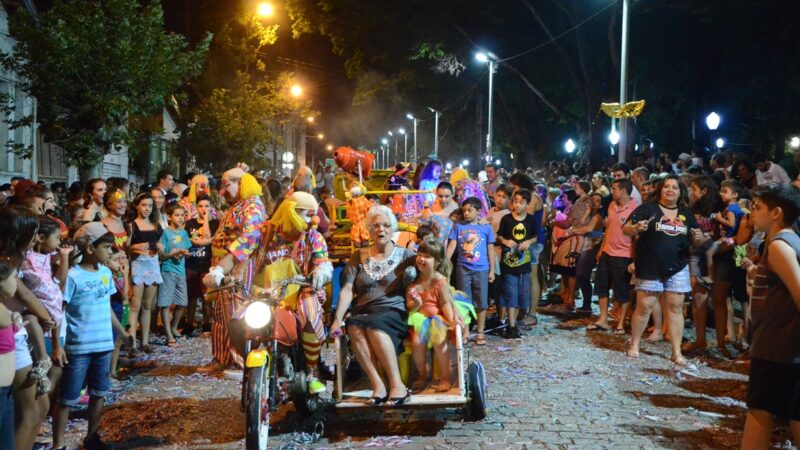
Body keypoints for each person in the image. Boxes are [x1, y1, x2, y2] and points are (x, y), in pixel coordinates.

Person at [230, 191, 334, 392]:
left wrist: (321, 270)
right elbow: (236, 253)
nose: (312, 219)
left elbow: (322, 260)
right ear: (290, 212)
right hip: (264, 293)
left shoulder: (313, 236)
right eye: (306, 214)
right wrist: (218, 271)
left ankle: (312, 372)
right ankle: (251, 368)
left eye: (314, 214)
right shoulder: (262, 232)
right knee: (237, 322)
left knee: (310, 318)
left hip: (301, 291)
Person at [52, 222, 130, 450]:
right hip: (78, 348)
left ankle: (92, 437)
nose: (110, 252)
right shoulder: (74, 277)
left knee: (99, 393)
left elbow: (106, 306)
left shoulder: (105, 273)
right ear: (89, 249)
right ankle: (58, 444)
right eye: (106, 247)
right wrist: (58, 344)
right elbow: (59, 311)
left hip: (104, 345)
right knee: (67, 398)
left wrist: (122, 332)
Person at [330, 205, 415, 405]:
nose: (381, 230)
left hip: (393, 311)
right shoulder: (358, 257)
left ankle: (397, 385)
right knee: (354, 326)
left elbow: (427, 279)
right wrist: (337, 320)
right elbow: (347, 290)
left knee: (375, 325)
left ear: (392, 228)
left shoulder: (406, 256)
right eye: (376, 226)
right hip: (363, 311)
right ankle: (378, 385)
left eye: (386, 225)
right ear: (369, 229)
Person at [740, 183, 800, 449]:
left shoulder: (779, 246)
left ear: (776, 213)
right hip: (782, 346)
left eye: (757, 208)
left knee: (760, 413)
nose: (752, 213)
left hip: (778, 348)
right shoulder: (788, 242)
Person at [624, 175, 703, 365]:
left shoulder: (686, 214)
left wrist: (700, 237)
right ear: (660, 189)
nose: (670, 190)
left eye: (674, 187)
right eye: (666, 186)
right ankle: (634, 344)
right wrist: (635, 228)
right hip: (650, 264)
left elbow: (696, 240)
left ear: (680, 192)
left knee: (676, 308)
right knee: (645, 306)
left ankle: (676, 352)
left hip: (678, 266)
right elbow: (625, 228)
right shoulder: (647, 209)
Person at [200, 166, 267, 374]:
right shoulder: (238, 205)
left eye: (226, 185)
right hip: (223, 264)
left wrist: (227, 267)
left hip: (237, 266)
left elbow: (249, 239)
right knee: (221, 315)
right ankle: (221, 358)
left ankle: (239, 361)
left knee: (235, 314)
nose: (222, 191)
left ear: (241, 183)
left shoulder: (253, 206)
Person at [21, 216, 71, 397]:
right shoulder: (26, 261)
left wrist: (64, 258)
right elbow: (47, 292)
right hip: (40, 323)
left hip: (54, 320)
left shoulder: (48, 257)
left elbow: (58, 285)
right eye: (57, 238)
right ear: (41, 238)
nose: (59, 242)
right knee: (41, 371)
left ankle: (42, 413)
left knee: (56, 369)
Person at [407, 239, 457, 393]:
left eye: (427, 256)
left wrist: (452, 319)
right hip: (419, 318)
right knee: (417, 342)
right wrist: (415, 302)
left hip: (437, 317)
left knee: (439, 339)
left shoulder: (439, 281)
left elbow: (445, 303)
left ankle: (445, 377)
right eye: (420, 254)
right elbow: (409, 306)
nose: (421, 258)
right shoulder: (412, 282)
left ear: (436, 262)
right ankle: (422, 375)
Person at [588, 178, 637, 333]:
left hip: (624, 254)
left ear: (623, 190)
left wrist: (635, 259)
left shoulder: (635, 208)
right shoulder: (611, 205)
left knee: (622, 290)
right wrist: (602, 248)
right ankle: (603, 319)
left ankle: (621, 322)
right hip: (607, 252)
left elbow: (637, 237)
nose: (612, 191)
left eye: (615, 188)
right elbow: (608, 229)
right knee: (601, 287)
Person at [446, 197, 495, 345]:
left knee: (481, 301)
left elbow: (490, 249)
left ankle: (480, 332)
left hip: (482, 268)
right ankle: (465, 331)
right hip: (463, 268)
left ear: (478, 211)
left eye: (470, 210)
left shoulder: (486, 228)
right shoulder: (458, 227)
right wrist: (444, 263)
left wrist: (492, 270)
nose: (466, 213)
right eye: (464, 210)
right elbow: (452, 245)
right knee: (464, 301)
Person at [496, 189, 538, 339]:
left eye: (522, 202)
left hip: (524, 262)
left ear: (527, 204)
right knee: (510, 293)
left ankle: (517, 320)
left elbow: (535, 237)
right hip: (508, 263)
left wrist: (528, 242)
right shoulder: (506, 219)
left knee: (522, 294)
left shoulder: (531, 220)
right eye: (515, 201)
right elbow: (499, 236)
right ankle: (511, 325)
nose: (518, 205)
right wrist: (505, 241)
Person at [127, 192, 163, 354]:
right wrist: (136, 246)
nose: (147, 208)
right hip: (137, 264)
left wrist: (160, 248)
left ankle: (145, 341)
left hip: (153, 264)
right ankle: (132, 342)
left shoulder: (156, 225)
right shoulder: (131, 225)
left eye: (150, 205)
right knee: (135, 305)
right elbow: (126, 247)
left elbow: (161, 244)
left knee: (148, 305)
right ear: (137, 206)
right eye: (144, 205)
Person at [157, 205, 192, 346]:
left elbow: (187, 251)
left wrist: (185, 253)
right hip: (168, 271)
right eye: (177, 215)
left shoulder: (183, 233)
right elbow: (162, 255)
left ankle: (173, 326)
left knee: (182, 302)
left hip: (181, 271)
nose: (180, 218)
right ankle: (169, 334)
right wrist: (172, 253)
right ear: (170, 217)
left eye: (182, 215)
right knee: (165, 303)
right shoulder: (166, 233)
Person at [184, 195, 219, 335]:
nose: (203, 209)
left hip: (207, 263)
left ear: (211, 207)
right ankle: (189, 323)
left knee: (206, 296)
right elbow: (191, 240)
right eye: (201, 206)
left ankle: (206, 323)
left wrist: (205, 220)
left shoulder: (215, 223)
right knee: (191, 296)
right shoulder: (190, 223)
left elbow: (207, 236)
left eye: (206, 206)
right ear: (196, 207)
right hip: (192, 264)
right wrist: (206, 241)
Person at [701, 180, 746, 284]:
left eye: (725, 191)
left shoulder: (731, 209)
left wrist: (719, 218)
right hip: (729, 238)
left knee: (709, 253)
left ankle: (710, 277)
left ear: (735, 195)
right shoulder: (735, 207)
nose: (721, 194)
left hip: (728, 239)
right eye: (721, 191)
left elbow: (731, 224)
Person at [0, 256, 21, 450]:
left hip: (6, 392)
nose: (17, 282)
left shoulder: (4, 309)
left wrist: (15, 326)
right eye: (14, 277)